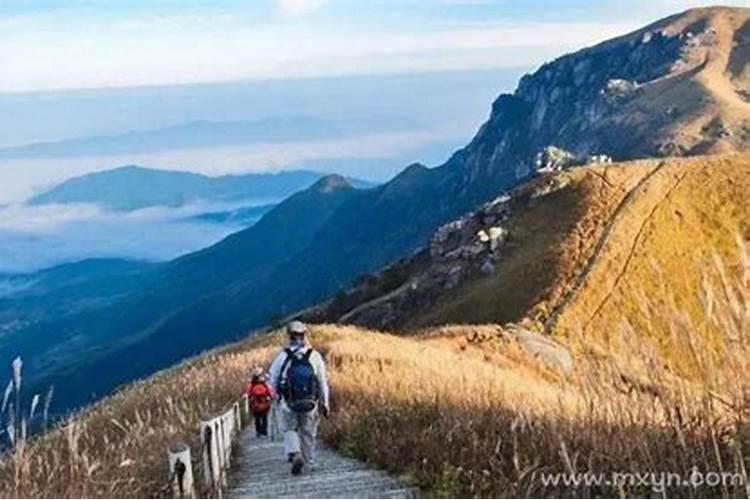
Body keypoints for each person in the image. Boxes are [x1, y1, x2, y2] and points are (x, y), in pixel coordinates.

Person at [268, 320, 330, 476]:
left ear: (289, 336)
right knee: (308, 431)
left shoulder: (282, 356)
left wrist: (274, 396)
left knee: (290, 429)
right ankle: (309, 461)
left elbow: (272, 379)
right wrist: (325, 402)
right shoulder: (314, 356)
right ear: (304, 335)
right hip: (310, 402)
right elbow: (322, 381)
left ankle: (295, 453)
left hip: (288, 402)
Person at [246, 367, 273, 437]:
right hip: (264, 404)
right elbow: (270, 392)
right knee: (264, 418)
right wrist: (271, 397)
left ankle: (258, 432)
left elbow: (249, 393)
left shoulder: (252, 385)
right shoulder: (264, 384)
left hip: (255, 404)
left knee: (257, 419)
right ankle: (264, 432)